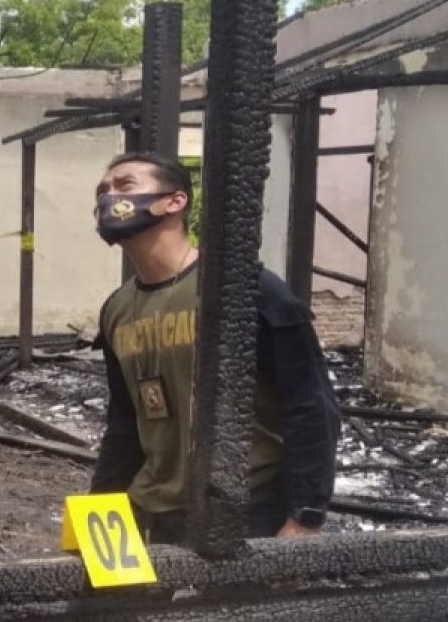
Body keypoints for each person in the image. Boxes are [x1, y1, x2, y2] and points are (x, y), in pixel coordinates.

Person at [89, 152, 340, 544]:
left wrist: (306, 514)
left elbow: (310, 405)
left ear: (174, 201)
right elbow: (124, 425)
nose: (108, 198)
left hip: (246, 508)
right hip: (153, 511)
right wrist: (100, 515)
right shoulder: (116, 310)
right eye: (102, 191)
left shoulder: (246, 289)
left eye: (125, 186)